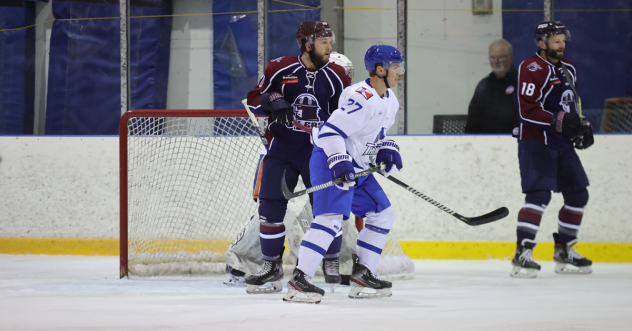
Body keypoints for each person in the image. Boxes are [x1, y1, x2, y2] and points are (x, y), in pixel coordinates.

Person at [283, 45, 404, 304]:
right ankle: (299, 280)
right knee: (330, 220)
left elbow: (375, 134)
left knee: (383, 215)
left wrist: (387, 149)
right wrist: (339, 160)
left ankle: (363, 273)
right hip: (331, 161)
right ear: (380, 70)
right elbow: (330, 133)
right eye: (395, 67)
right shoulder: (360, 97)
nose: (399, 72)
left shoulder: (390, 100)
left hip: (358, 168)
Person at [223, 52, 355, 288]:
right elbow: (257, 100)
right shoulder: (289, 74)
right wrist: (270, 100)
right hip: (281, 154)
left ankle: (331, 262)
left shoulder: (339, 88)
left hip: (319, 154)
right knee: (268, 211)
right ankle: (247, 262)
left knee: (327, 212)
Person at [511, 21, 594, 279]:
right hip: (536, 141)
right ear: (541, 43)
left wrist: (580, 127)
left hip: (561, 143)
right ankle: (522, 254)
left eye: (562, 40)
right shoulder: (531, 67)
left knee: (578, 195)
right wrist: (560, 121)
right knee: (538, 197)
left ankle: (564, 250)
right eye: (555, 41)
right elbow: (527, 110)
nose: (561, 45)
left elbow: (571, 105)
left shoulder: (568, 68)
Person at [464, 39, 518, 134]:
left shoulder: (522, 82)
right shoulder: (484, 85)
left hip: (514, 141)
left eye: (500, 57)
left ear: (510, 57)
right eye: (492, 58)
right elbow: (472, 120)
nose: (496, 62)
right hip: (485, 143)